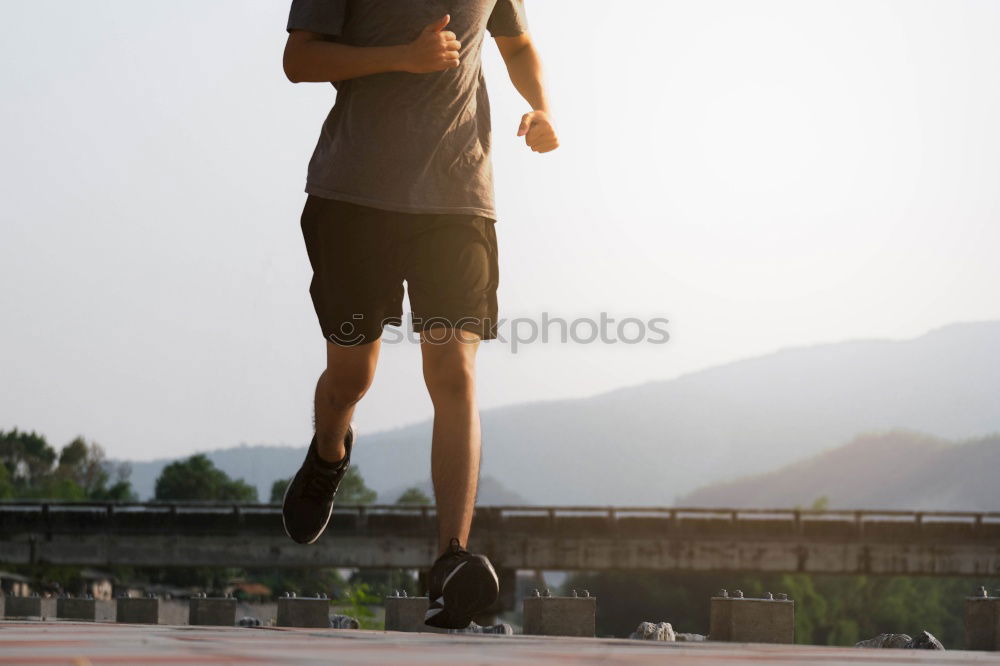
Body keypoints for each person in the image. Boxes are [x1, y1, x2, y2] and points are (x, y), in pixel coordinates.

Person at [279, 0, 558, 629]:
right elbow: (299, 59)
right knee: (352, 376)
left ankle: (450, 562)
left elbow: (515, 44)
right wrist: (402, 58)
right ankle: (328, 453)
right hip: (354, 198)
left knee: (454, 372)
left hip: (458, 200)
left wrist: (542, 106)